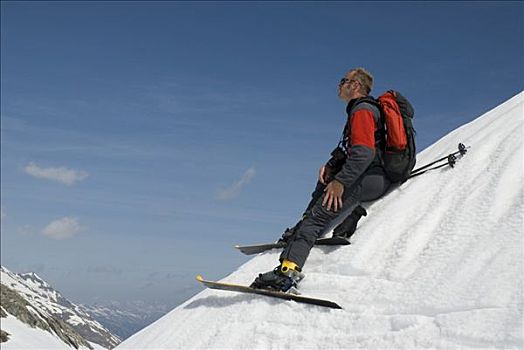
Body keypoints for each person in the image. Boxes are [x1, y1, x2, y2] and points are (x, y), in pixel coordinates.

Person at [251, 67, 391, 292]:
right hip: (371, 175)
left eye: (343, 81)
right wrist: (332, 169)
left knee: (316, 220)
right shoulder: (362, 109)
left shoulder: (363, 110)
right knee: (324, 185)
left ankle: (287, 274)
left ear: (355, 86)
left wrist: (341, 182)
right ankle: (301, 228)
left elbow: (364, 152)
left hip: (370, 178)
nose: (339, 85)